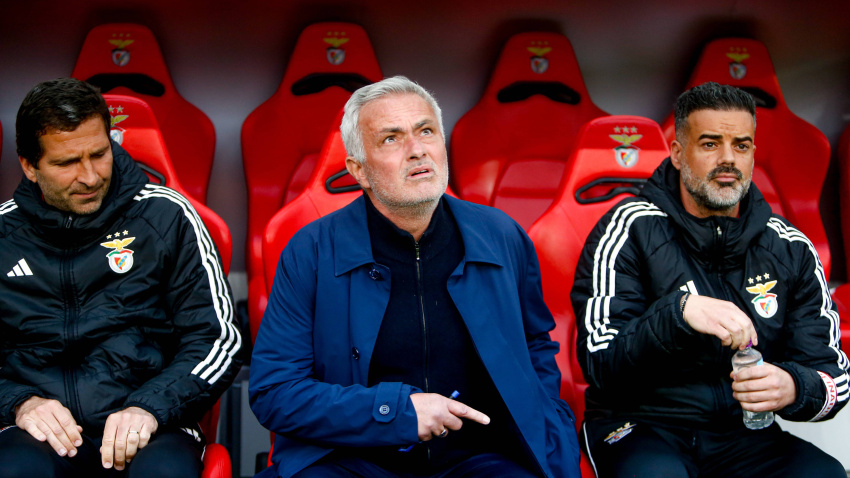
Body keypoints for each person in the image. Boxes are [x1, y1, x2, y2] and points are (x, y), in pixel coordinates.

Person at [249, 76, 580, 478]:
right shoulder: (310, 250)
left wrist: (551, 425)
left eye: (426, 131)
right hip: (349, 457)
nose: (417, 149)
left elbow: (536, 349)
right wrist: (395, 412)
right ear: (359, 170)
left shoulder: (501, 235)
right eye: (391, 138)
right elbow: (275, 392)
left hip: (480, 455)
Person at [571, 81, 848, 477]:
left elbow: (833, 375)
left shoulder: (789, 247)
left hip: (744, 435)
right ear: (679, 154)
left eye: (741, 145)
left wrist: (794, 387)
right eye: (709, 143)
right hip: (642, 426)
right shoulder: (628, 229)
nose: (728, 159)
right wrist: (678, 315)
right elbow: (599, 364)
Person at [0, 78, 242, 477]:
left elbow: (219, 339)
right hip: (37, 432)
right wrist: (20, 402)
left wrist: (149, 406)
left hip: (153, 424)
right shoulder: (5, 234)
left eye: (100, 154)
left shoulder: (166, 217)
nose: (91, 176)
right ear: (29, 166)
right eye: (66, 163)